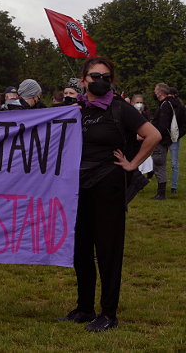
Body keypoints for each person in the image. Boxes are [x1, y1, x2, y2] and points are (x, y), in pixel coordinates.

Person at [58, 57, 160, 332]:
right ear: (83, 80)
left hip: (109, 184)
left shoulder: (120, 109)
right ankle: (84, 308)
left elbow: (153, 135)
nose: (100, 81)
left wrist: (132, 163)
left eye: (106, 77)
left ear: (112, 80)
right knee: (81, 248)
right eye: (94, 76)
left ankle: (108, 313)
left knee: (108, 249)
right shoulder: (74, 109)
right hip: (77, 186)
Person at [150, 82, 179, 200]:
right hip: (165, 140)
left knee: (158, 163)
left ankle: (161, 193)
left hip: (161, 140)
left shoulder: (165, 105)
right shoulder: (170, 104)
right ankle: (160, 192)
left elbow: (162, 125)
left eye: (155, 90)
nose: (154, 92)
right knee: (159, 163)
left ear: (161, 92)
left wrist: (155, 135)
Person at [167, 87, 182, 195]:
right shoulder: (180, 106)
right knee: (174, 162)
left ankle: (172, 186)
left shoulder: (167, 104)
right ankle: (173, 187)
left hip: (169, 136)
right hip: (174, 136)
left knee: (171, 162)